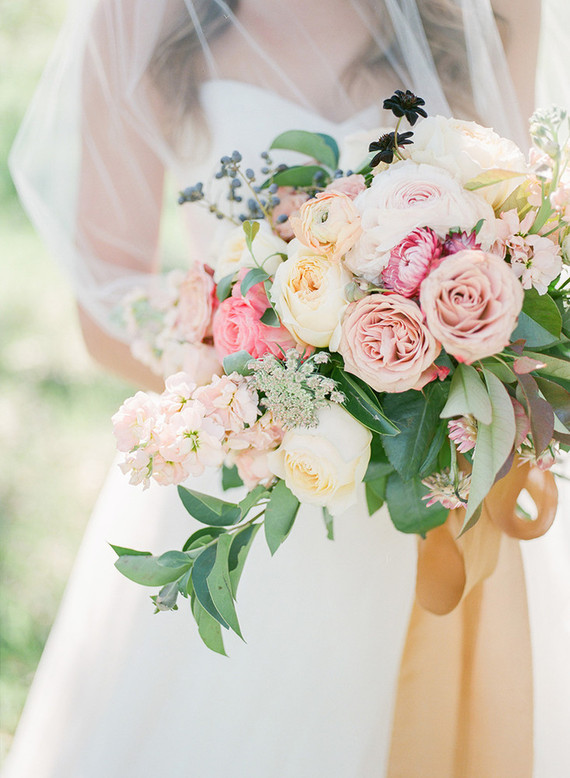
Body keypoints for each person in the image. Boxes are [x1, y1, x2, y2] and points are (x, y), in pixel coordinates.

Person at [5, 1, 570, 776]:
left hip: (433, 475)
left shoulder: (491, 10)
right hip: (249, 473)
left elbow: (522, 232)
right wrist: (282, 398)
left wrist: (421, 370)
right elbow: (106, 307)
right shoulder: (138, 16)